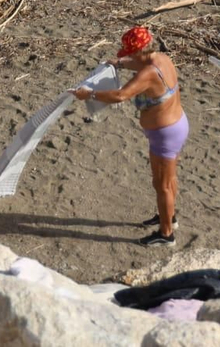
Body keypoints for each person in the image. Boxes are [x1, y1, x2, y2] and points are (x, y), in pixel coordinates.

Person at [73, 26, 187, 247]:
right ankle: (169, 217)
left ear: (139, 51)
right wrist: (119, 64)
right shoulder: (160, 58)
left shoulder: (149, 73)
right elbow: (139, 63)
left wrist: (90, 94)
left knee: (161, 184)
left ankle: (166, 235)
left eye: (129, 53)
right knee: (169, 179)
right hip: (177, 124)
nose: (128, 57)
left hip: (165, 134)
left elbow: (120, 95)